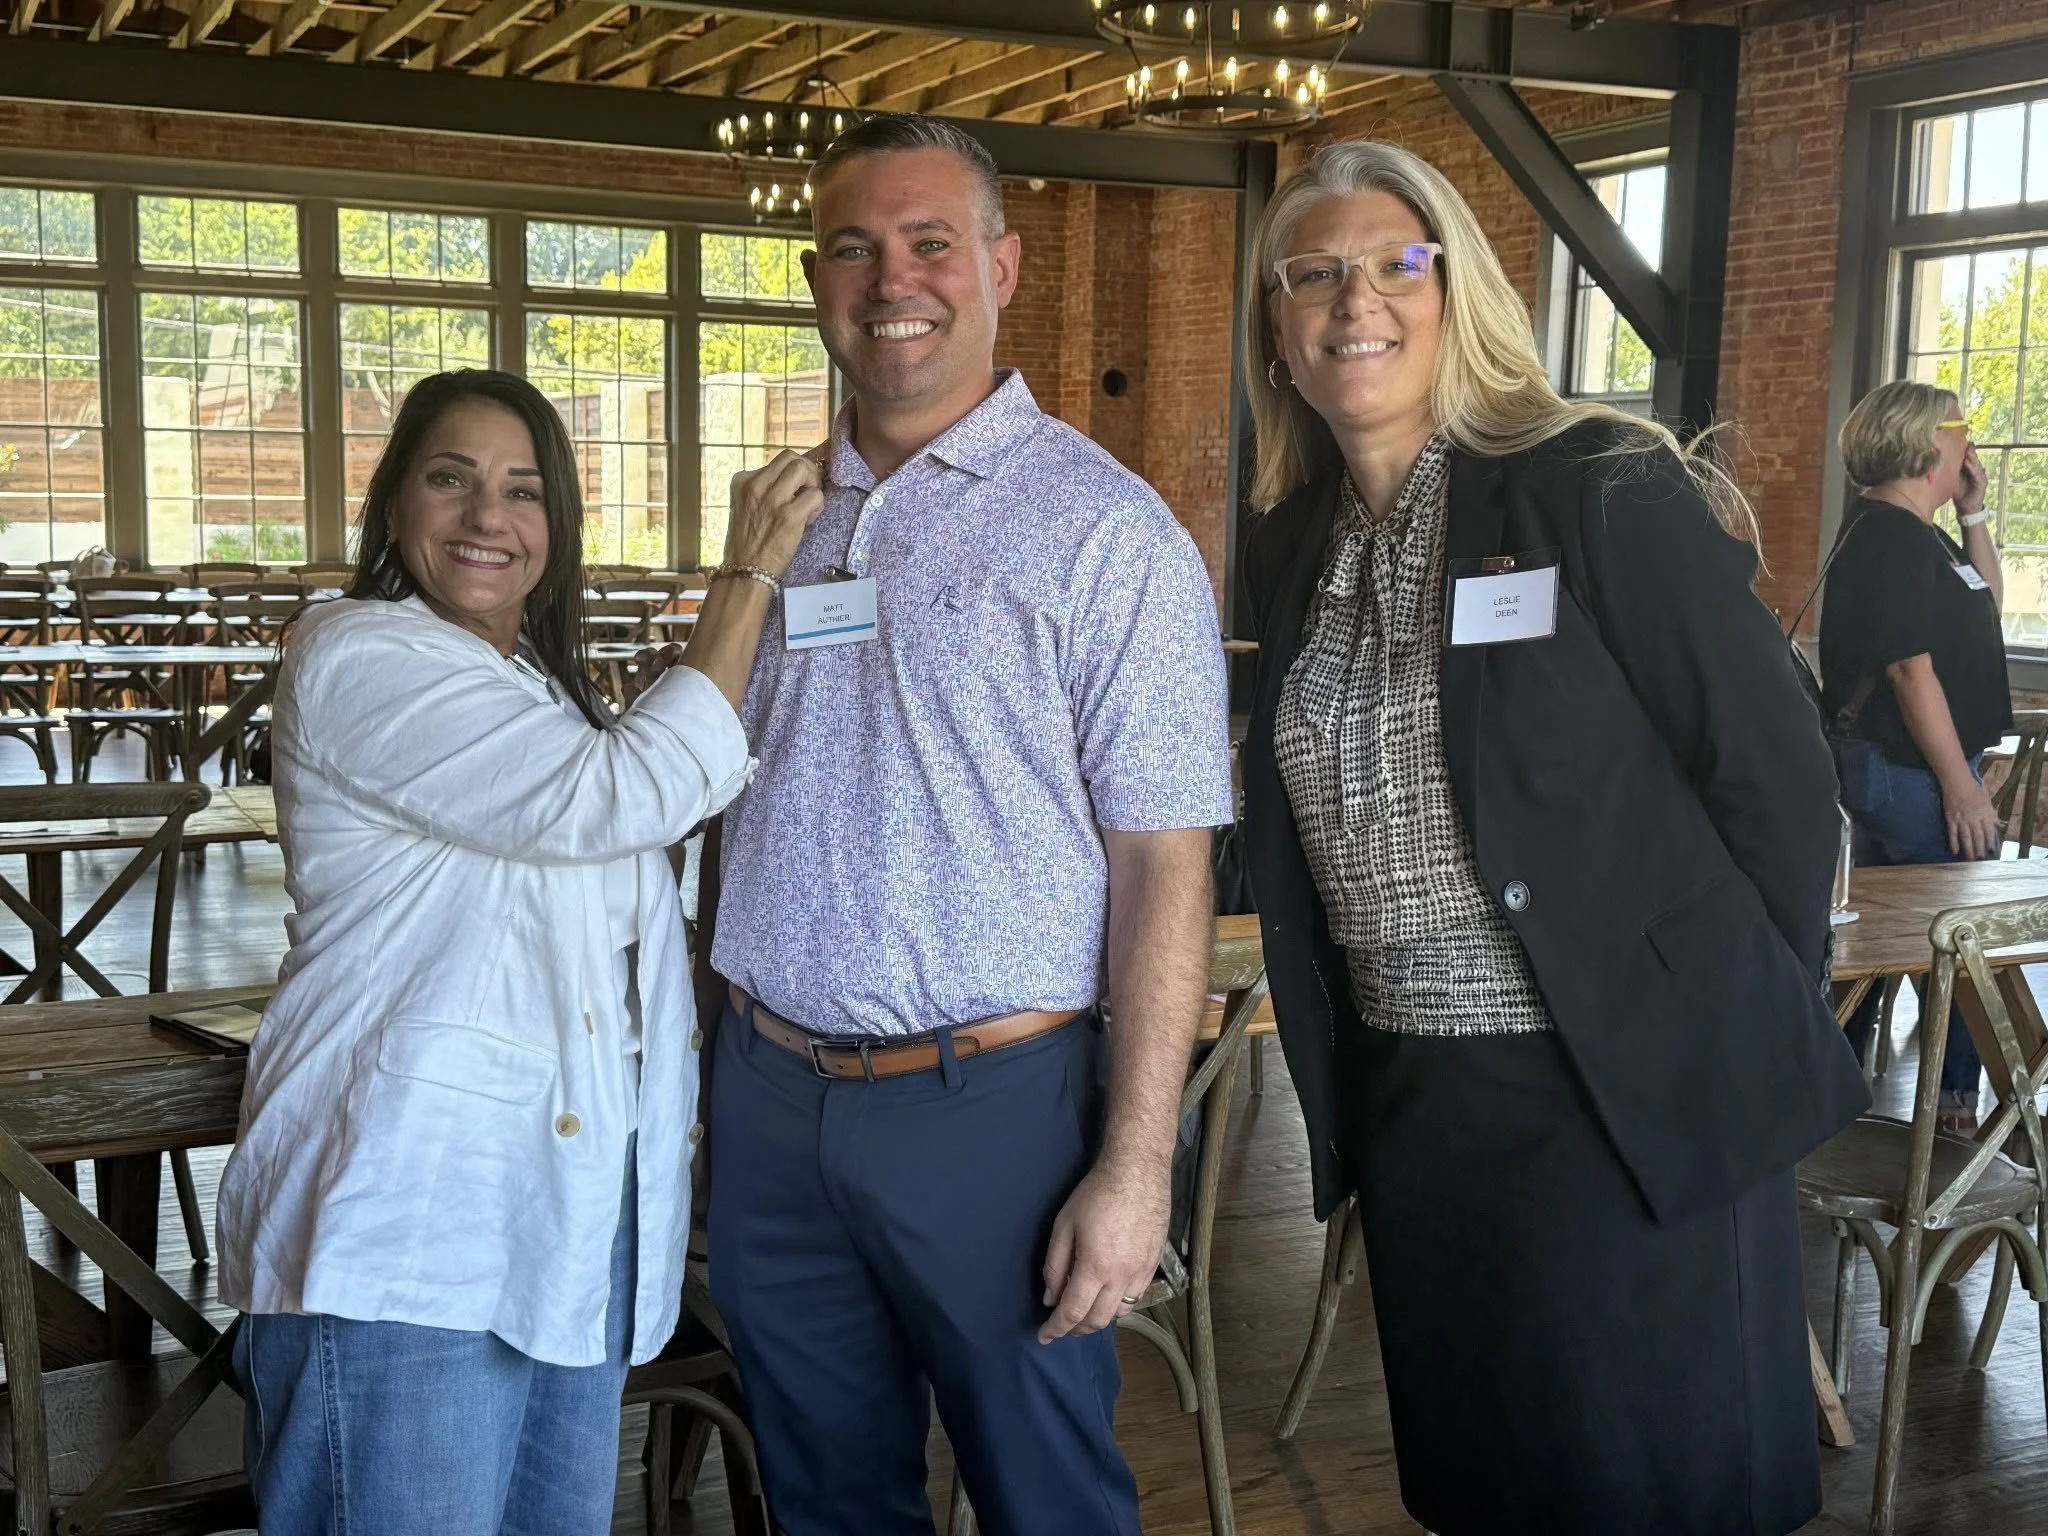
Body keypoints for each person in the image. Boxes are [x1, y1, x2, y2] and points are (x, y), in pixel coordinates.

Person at [1236, 140, 1871, 1536]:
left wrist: (1698, 1016)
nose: (1359, 303)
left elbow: (1773, 773)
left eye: (1399, 263)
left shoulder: (1594, 484)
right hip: (1417, 1103)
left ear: (1459, 289)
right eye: (1317, 275)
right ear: (1276, 327)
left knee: (1651, 1485)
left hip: (1622, 1097)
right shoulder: (1292, 543)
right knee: (1493, 1481)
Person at [697, 114, 1232, 1536]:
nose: (894, 279)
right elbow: (709, 780)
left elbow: (1166, 862)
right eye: (856, 250)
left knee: (1046, 1501)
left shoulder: (1105, 531)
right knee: (823, 1499)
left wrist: (1136, 1166)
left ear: (1002, 267)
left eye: (931, 242)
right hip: (768, 1095)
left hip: (992, 1111)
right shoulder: (783, 519)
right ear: (818, 280)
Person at [216, 368, 821, 1534]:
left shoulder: (535, 689)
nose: (488, 517)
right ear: (394, 502)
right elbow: (625, 794)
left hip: (556, 1236)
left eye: (522, 489)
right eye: (451, 479)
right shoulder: (359, 657)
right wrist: (747, 574)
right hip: (407, 1237)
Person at [1821, 380, 2010, 1131]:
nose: (1971, 439)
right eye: (1961, 425)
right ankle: (1952, 1111)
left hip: (1903, 770)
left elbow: (1983, 604)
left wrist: (1973, 512)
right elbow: (1909, 670)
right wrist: (1960, 787)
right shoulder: (1887, 537)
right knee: (1964, 938)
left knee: (1882, 935)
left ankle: (1840, 1098)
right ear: (1930, 442)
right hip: (1909, 773)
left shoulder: (1913, 530)